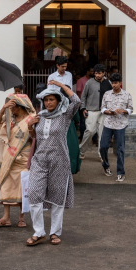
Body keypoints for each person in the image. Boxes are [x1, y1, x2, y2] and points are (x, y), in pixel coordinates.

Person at [25, 78, 81, 246]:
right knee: (34, 194)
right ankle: (39, 232)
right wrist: (30, 127)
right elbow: (33, 139)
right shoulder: (39, 116)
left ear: (58, 101)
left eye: (52, 99)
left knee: (57, 197)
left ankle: (55, 232)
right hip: (40, 160)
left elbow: (77, 101)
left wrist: (60, 86)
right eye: (46, 100)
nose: (48, 102)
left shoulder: (65, 115)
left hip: (59, 161)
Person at [0, 90, 36, 228]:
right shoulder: (9, 117)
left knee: (23, 187)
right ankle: (6, 217)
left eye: (13, 106)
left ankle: (21, 218)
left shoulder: (32, 118)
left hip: (24, 156)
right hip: (10, 156)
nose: (11, 108)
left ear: (20, 106)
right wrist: (4, 108)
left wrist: (30, 128)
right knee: (6, 183)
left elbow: (35, 137)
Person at [48, 56, 81, 173]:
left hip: (68, 103)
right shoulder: (51, 77)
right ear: (57, 65)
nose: (64, 68)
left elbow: (70, 90)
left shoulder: (69, 75)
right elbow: (50, 93)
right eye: (62, 66)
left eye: (65, 66)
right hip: (57, 106)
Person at [99, 72, 133, 182]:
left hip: (120, 125)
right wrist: (107, 111)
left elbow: (131, 109)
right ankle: (106, 166)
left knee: (120, 149)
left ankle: (120, 172)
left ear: (120, 83)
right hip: (108, 123)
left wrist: (122, 111)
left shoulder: (127, 95)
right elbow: (102, 108)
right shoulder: (107, 94)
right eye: (112, 83)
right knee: (103, 146)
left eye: (116, 83)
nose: (114, 85)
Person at [79, 65, 106, 151]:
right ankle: (82, 150)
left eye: (99, 73)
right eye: (96, 73)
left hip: (104, 112)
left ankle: (101, 154)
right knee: (90, 131)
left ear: (104, 73)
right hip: (91, 110)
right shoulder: (89, 82)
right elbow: (83, 96)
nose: (97, 75)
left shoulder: (107, 83)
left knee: (102, 134)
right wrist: (83, 108)